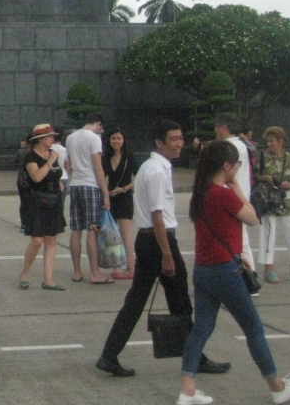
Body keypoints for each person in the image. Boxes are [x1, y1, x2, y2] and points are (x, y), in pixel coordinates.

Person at [176, 140, 290, 405]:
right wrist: (237, 187)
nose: (239, 169)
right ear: (226, 166)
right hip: (224, 269)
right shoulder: (223, 194)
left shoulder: (200, 192)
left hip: (203, 269)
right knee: (253, 328)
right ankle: (276, 385)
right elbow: (251, 217)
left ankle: (188, 388)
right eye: (237, 165)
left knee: (202, 328)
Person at [97, 119, 230, 379]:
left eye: (181, 138)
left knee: (137, 302)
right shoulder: (157, 170)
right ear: (159, 142)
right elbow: (157, 215)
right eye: (173, 139)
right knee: (180, 303)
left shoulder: (151, 166)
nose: (179, 144)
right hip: (159, 242)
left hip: (149, 242)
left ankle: (109, 355)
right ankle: (195, 358)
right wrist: (167, 255)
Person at [18, 124, 67, 291]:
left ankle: (48, 279)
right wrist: (50, 161)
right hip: (36, 202)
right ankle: (25, 272)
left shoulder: (53, 153)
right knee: (37, 240)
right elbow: (37, 177)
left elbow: (55, 173)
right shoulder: (31, 157)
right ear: (40, 139)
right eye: (49, 136)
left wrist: (58, 182)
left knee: (51, 240)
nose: (53, 138)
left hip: (53, 201)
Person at [66, 112, 112, 284]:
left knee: (76, 229)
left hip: (75, 185)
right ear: (98, 124)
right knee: (92, 229)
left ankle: (77, 272)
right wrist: (105, 193)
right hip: (91, 186)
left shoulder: (70, 138)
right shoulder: (94, 138)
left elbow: (69, 166)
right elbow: (98, 168)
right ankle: (94, 273)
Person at [255, 126, 290, 283]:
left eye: (272, 141)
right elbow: (254, 176)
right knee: (268, 234)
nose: (269, 144)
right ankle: (268, 268)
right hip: (269, 200)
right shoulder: (262, 158)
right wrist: (264, 177)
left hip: (287, 200)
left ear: (281, 141)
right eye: (267, 141)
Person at [213, 114, 255, 275]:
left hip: (232, 196)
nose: (215, 130)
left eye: (217, 126)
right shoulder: (240, 145)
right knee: (238, 238)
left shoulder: (228, 147)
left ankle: (249, 278)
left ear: (224, 127)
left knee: (240, 239)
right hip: (239, 194)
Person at [102, 126, 138, 279]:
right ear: (109, 141)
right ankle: (116, 265)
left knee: (125, 233)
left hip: (125, 198)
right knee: (112, 234)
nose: (116, 141)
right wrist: (105, 195)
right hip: (110, 199)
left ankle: (130, 267)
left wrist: (123, 189)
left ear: (123, 140)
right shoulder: (105, 158)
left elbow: (138, 179)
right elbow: (102, 177)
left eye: (119, 138)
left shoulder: (130, 157)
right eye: (113, 138)